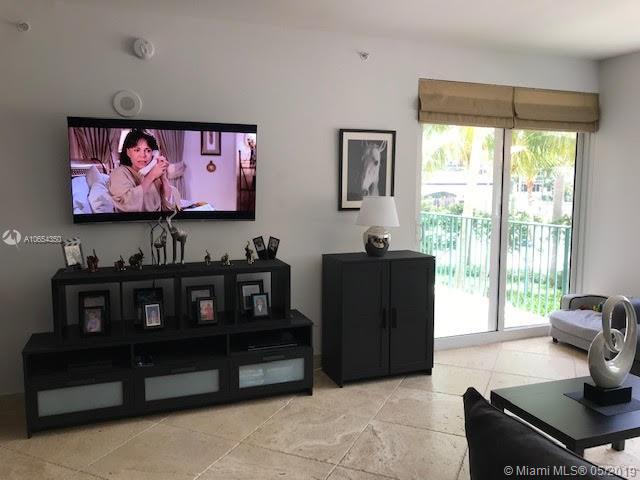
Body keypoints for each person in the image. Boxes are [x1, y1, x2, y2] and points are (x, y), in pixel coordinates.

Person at [108, 129, 181, 212]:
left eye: (148, 150)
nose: (143, 155)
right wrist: (151, 176)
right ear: (128, 152)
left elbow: (170, 208)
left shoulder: (155, 176)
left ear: (154, 154)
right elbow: (126, 205)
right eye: (137, 150)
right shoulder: (119, 173)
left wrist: (164, 179)